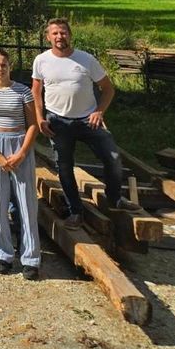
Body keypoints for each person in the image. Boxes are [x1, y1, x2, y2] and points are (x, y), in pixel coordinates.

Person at [32, 18, 132, 227]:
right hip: (58, 121)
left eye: (63, 32)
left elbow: (108, 89)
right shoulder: (41, 61)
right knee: (65, 167)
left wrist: (99, 112)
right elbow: (36, 92)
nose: (60, 37)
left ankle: (115, 198)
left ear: (70, 34)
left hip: (88, 120)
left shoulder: (86, 60)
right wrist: (40, 118)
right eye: (55, 33)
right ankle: (75, 211)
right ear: (48, 37)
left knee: (113, 158)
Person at [0, 48, 42, 279]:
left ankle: (31, 257)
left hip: (19, 144)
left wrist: (22, 153)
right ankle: (2, 254)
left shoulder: (23, 91)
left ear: (9, 66)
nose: (0, 69)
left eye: (4, 64)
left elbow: (33, 124)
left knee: (26, 202)